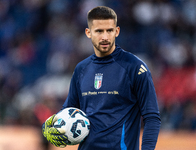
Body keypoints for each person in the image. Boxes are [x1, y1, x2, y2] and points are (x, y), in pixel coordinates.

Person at [42, 6, 161, 150]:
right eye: (99, 31)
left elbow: (152, 117)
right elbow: (69, 109)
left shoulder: (135, 67)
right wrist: (52, 124)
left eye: (109, 31)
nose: (105, 37)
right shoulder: (81, 69)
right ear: (88, 32)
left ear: (116, 31)